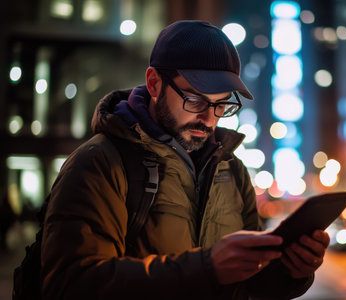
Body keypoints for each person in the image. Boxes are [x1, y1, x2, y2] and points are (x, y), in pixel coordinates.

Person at [41, 20, 330, 299]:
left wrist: (293, 271)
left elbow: (250, 284)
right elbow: (70, 285)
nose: (208, 118)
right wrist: (206, 269)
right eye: (194, 99)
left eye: (222, 104)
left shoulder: (231, 169)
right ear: (154, 84)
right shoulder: (100, 162)